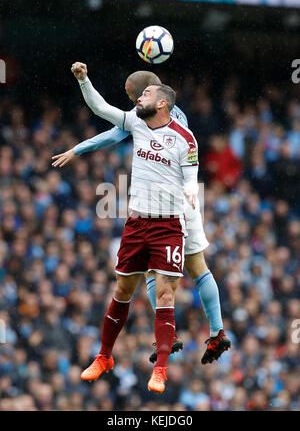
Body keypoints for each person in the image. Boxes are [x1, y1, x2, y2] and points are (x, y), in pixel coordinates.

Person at [52, 70, 231, 366]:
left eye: (133, 96)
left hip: (168, 208)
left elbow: (113, 133)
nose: (134, 101)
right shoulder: (173, 113)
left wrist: (79, 148)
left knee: (152, 272)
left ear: (146, 96)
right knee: (199, 268)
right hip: (187, 201)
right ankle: (217, 331)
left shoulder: (148, 118)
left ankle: (170, 336)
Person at [68, 61, 200, 393]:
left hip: (169, 226)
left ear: (162, 103)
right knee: (123, 291)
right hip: (136, 223)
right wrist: (84, 79)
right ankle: (104, 356)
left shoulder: (185, 139)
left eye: (145, 93)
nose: (138, 98)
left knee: (166, 293)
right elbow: (100, 108)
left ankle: (161, 368)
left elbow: (191, 177)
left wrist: (188, 191)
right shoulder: (135, 124)